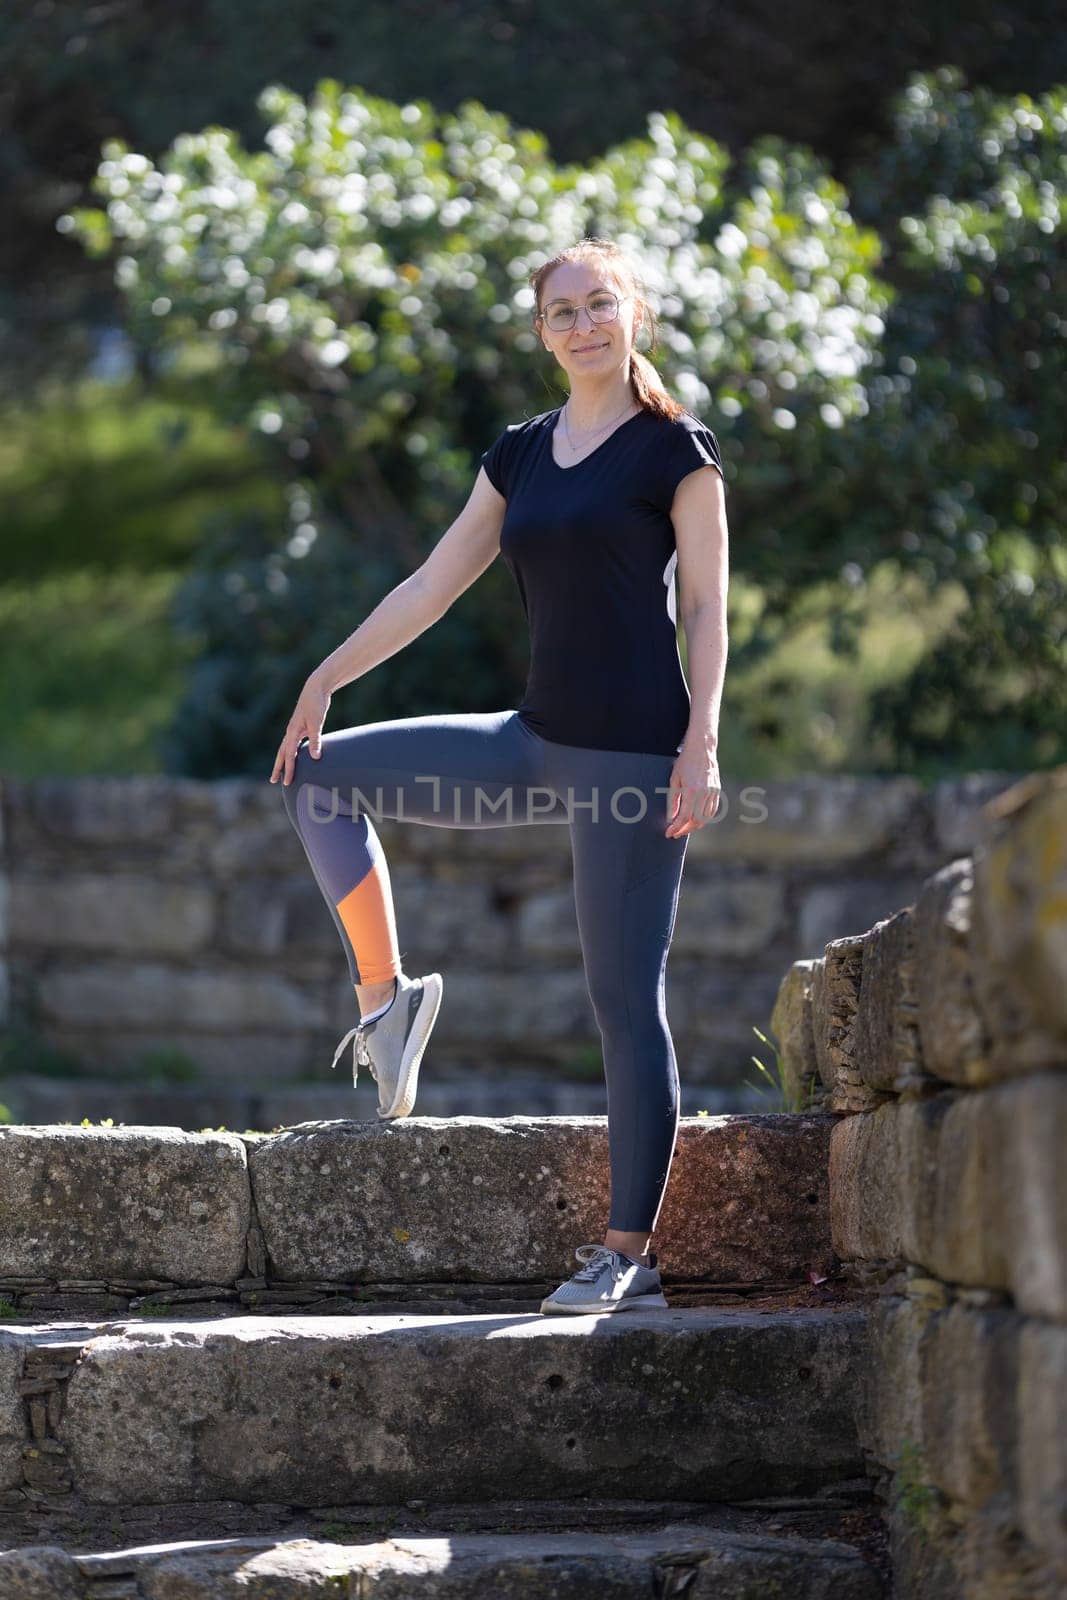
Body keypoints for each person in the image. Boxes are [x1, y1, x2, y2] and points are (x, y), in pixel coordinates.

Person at [270, 236, 729, 1315]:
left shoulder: (676, 452)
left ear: (634, 316)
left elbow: (705, 608)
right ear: (539, 333)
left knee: (623, 1001)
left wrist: (700, 742)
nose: (581, 324)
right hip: (529, 744)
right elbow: (432, 583)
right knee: (317, 775)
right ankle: (386, 1001)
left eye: (598, 304)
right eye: (560, 311)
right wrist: (324, 679)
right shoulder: (516, 454)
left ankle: (628, 1256)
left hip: (631, 763)